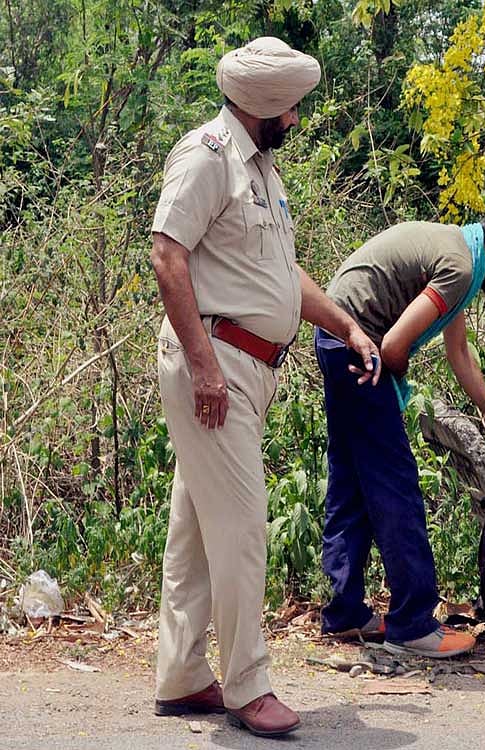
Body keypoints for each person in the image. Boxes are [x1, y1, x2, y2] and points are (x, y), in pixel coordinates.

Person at [150, 37, 380, 738]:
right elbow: (167, 254)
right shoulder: (208, 157)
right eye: (295, 106)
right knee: (245, 527)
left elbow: (282, 277)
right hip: (216, 365)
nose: (299, 117)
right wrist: (205, 367)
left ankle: (184, 674)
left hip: (247, 367)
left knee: (197, 529)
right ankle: (247, 685)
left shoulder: (263, 172)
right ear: (269, 105)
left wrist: (348, 324)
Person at [315, 208, 485, 658]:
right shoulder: (458, 265)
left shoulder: (459, 256)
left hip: (335, 335)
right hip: (358, 343)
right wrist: (399, 385)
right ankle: (412, 624)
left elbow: (458, 353)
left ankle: (346, 613)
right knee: (395, 486)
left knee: (351, 481)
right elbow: (395, 346)